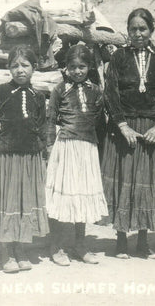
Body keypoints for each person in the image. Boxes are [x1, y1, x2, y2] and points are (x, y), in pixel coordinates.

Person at [101, 8, 155, 259]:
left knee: (147, 184)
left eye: (142, 29)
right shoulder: (119, 58)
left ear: (151, 29)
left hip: (154, 131)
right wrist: (122, 126)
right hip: (126, 129)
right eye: (133, 29)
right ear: (127, 30)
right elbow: (111, 93)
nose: (137, 34)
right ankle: (122, 241)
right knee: (126, 182)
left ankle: (144, 242)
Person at [0, 45, 49, 273]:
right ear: (9, 68)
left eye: (25, 65)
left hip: (30, 158)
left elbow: (43, 124)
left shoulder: (38, 96)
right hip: (8, 158)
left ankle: (21, 250)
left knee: (23, 202)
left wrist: (40, 147)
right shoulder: (1, 92)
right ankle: (6, 252)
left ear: (34, 68)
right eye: (15, 66)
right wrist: (1, 138)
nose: (20, 70)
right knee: (8, 201)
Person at [46, 44, 108, 266]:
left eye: (82, 67)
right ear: (66, 68)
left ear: (89, 67)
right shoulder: (60, 90)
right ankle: (57, 246)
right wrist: (49, 147)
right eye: (73, 67)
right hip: (67, 147)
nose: (78, 71)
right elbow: (51, 119)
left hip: (87, 149)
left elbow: (100, 120)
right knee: (63, 198)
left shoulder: (96, 91)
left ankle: (79, 245)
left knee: (82, 196)